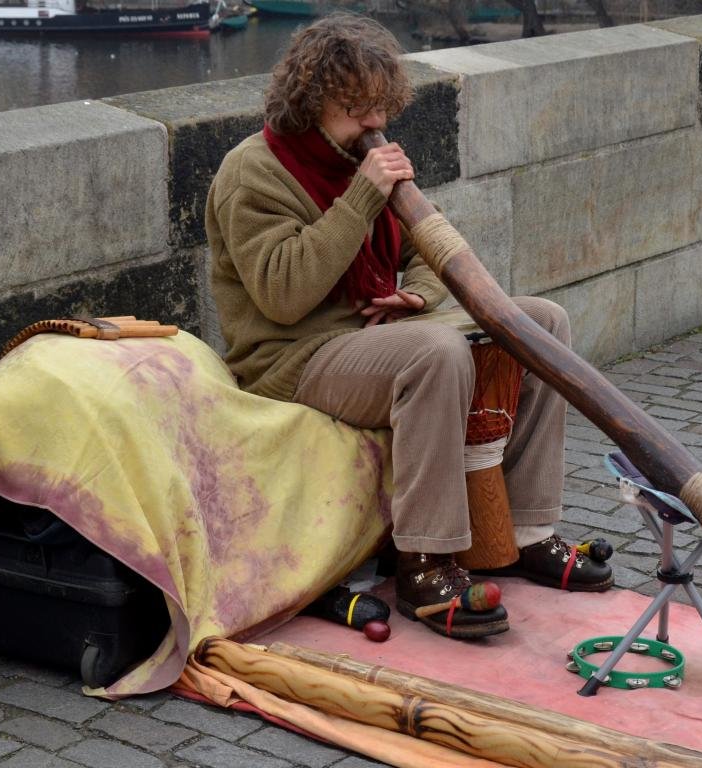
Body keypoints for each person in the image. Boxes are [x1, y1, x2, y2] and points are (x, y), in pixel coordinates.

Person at [205, 13, 611, 639]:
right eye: (355, 110)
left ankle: (529, 531)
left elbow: (425, 252)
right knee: (438, 353)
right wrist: (364, 196)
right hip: (293, 356)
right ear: (309, 104)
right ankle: (425, 558)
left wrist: (417, 298)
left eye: (380, 109)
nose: (374, 125)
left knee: (544, 324)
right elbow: (283, 294)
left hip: (375, 335)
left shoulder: (359, 158)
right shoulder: (252, 172)